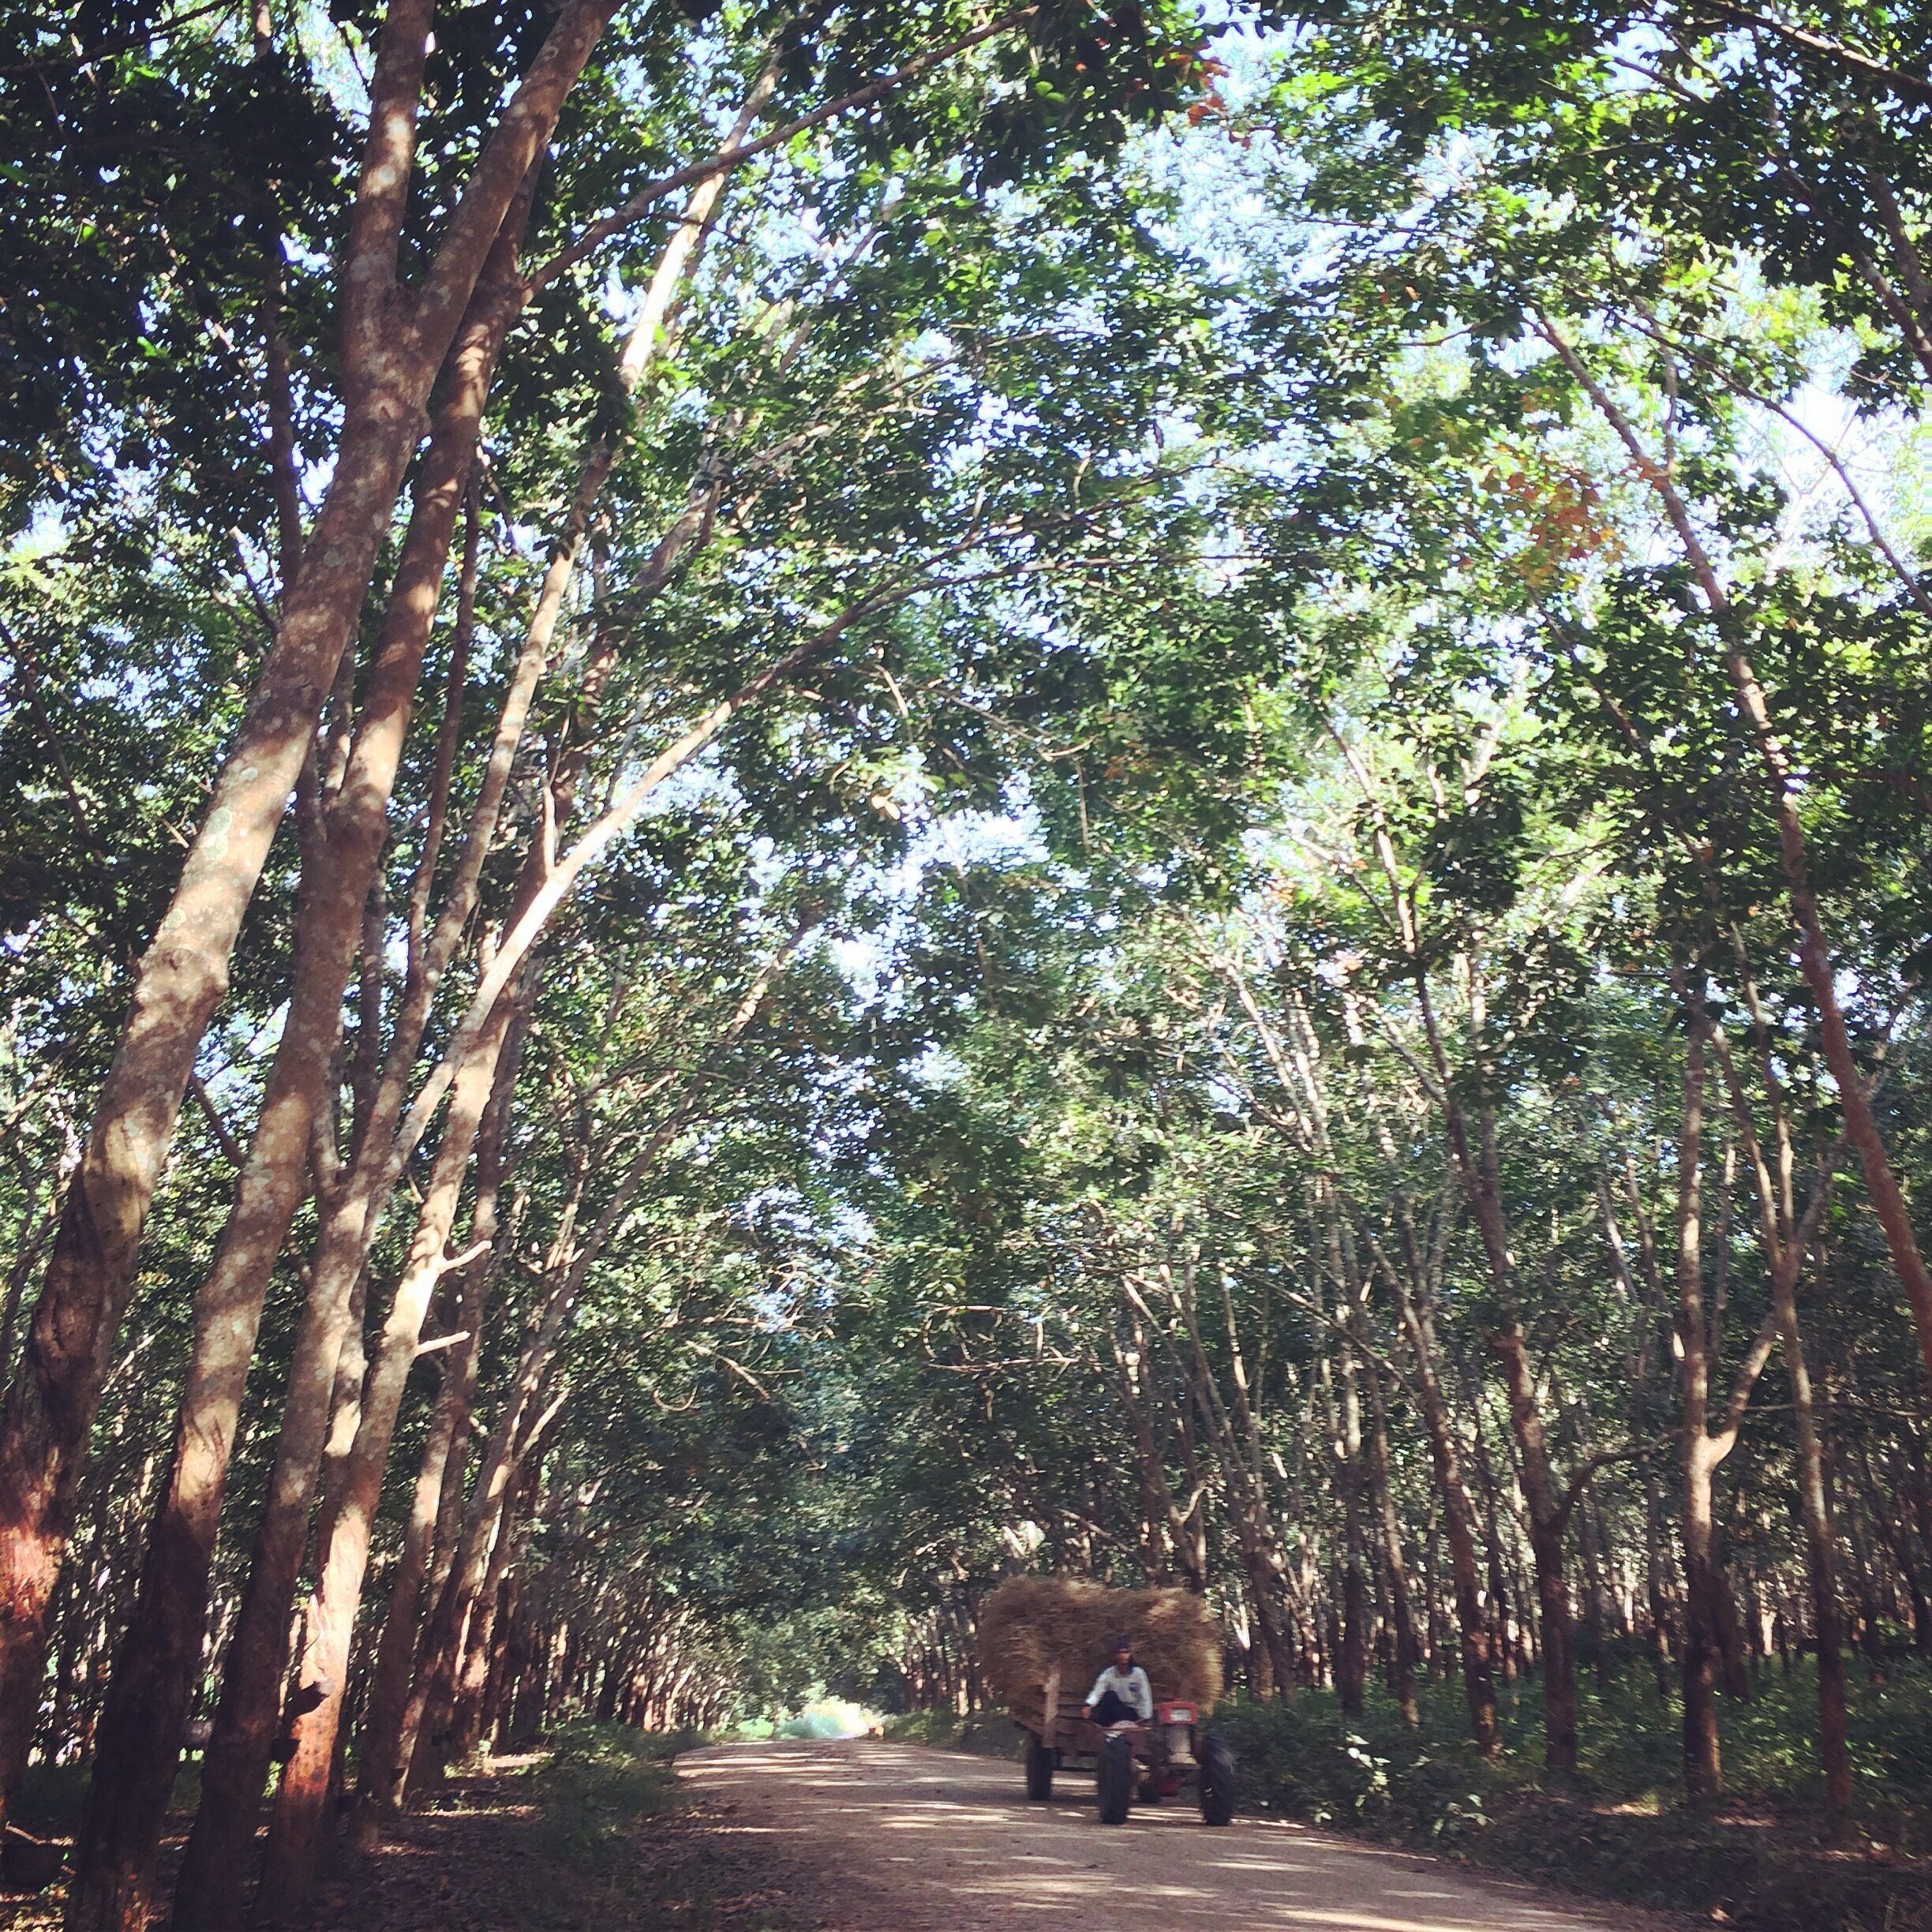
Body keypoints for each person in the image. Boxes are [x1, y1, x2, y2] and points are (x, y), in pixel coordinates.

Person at [1083, 1637, 1152, 1728]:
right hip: (1115, 1710)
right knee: (1110, 1696)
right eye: (1120, 1653)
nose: (1123, 1655)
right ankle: (1104, 1727)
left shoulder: (1138, 1674)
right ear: (1115, 1655)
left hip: (1133, 1712)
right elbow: (1097, 1692)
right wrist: (1089, 1706)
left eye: (1126, 1652)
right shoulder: (1109, 1673)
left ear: (1130, 1654)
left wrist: (1146, 1717)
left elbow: (1145, 1696)